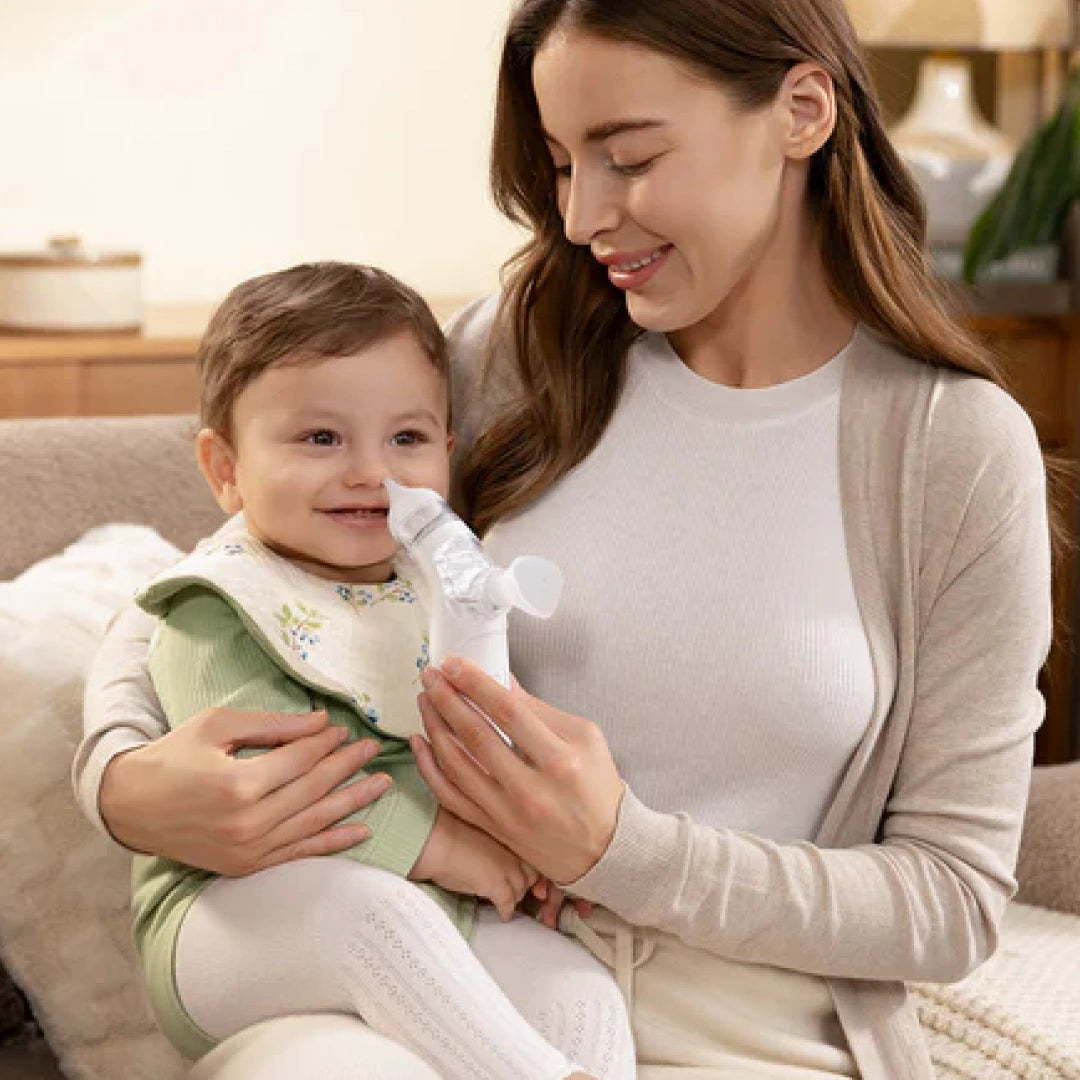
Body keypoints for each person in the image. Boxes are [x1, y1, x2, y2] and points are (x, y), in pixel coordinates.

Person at [75, 1, 1055, 1077]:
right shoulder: (519, 352)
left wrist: (620, 850)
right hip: (421, 986)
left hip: (752, 1040)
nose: (586, 215)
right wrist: (122, 782)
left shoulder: (946, 450)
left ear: (802, 112)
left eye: (628, 157)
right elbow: (228, 578)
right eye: (558, 164)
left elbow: (952, 902)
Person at [119, 260, 634, 1080]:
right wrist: (447, 848)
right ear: (223, 468)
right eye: (321, 438)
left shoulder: (432, 584)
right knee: (371, 911)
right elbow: (275, 784)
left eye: (407, 438)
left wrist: (529, 843)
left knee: (578, 986)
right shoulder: (218, 602)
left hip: (431, 914)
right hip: (232, 925)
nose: (371, 471)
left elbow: (480, 733)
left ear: (447, 451)